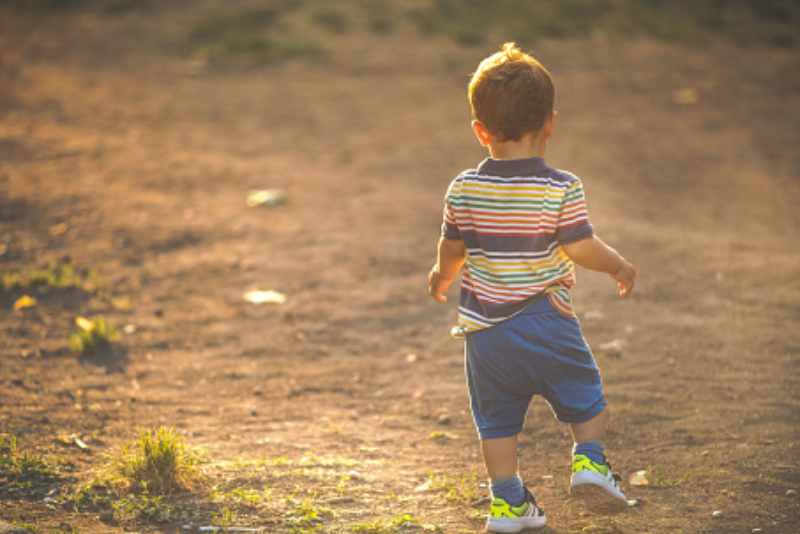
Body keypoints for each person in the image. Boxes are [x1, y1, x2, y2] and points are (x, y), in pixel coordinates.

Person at [428, 43, 636, 533]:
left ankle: (507, 504)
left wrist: (441, 276)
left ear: (480, 130)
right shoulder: (560, 186)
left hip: (485, 335)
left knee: (496, 422)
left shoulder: (463, 188)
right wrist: (617, 265)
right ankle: (589, 460)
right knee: (586, 397)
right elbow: (580, 246)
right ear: (550, 123)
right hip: (547, 321)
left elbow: (451, 247)